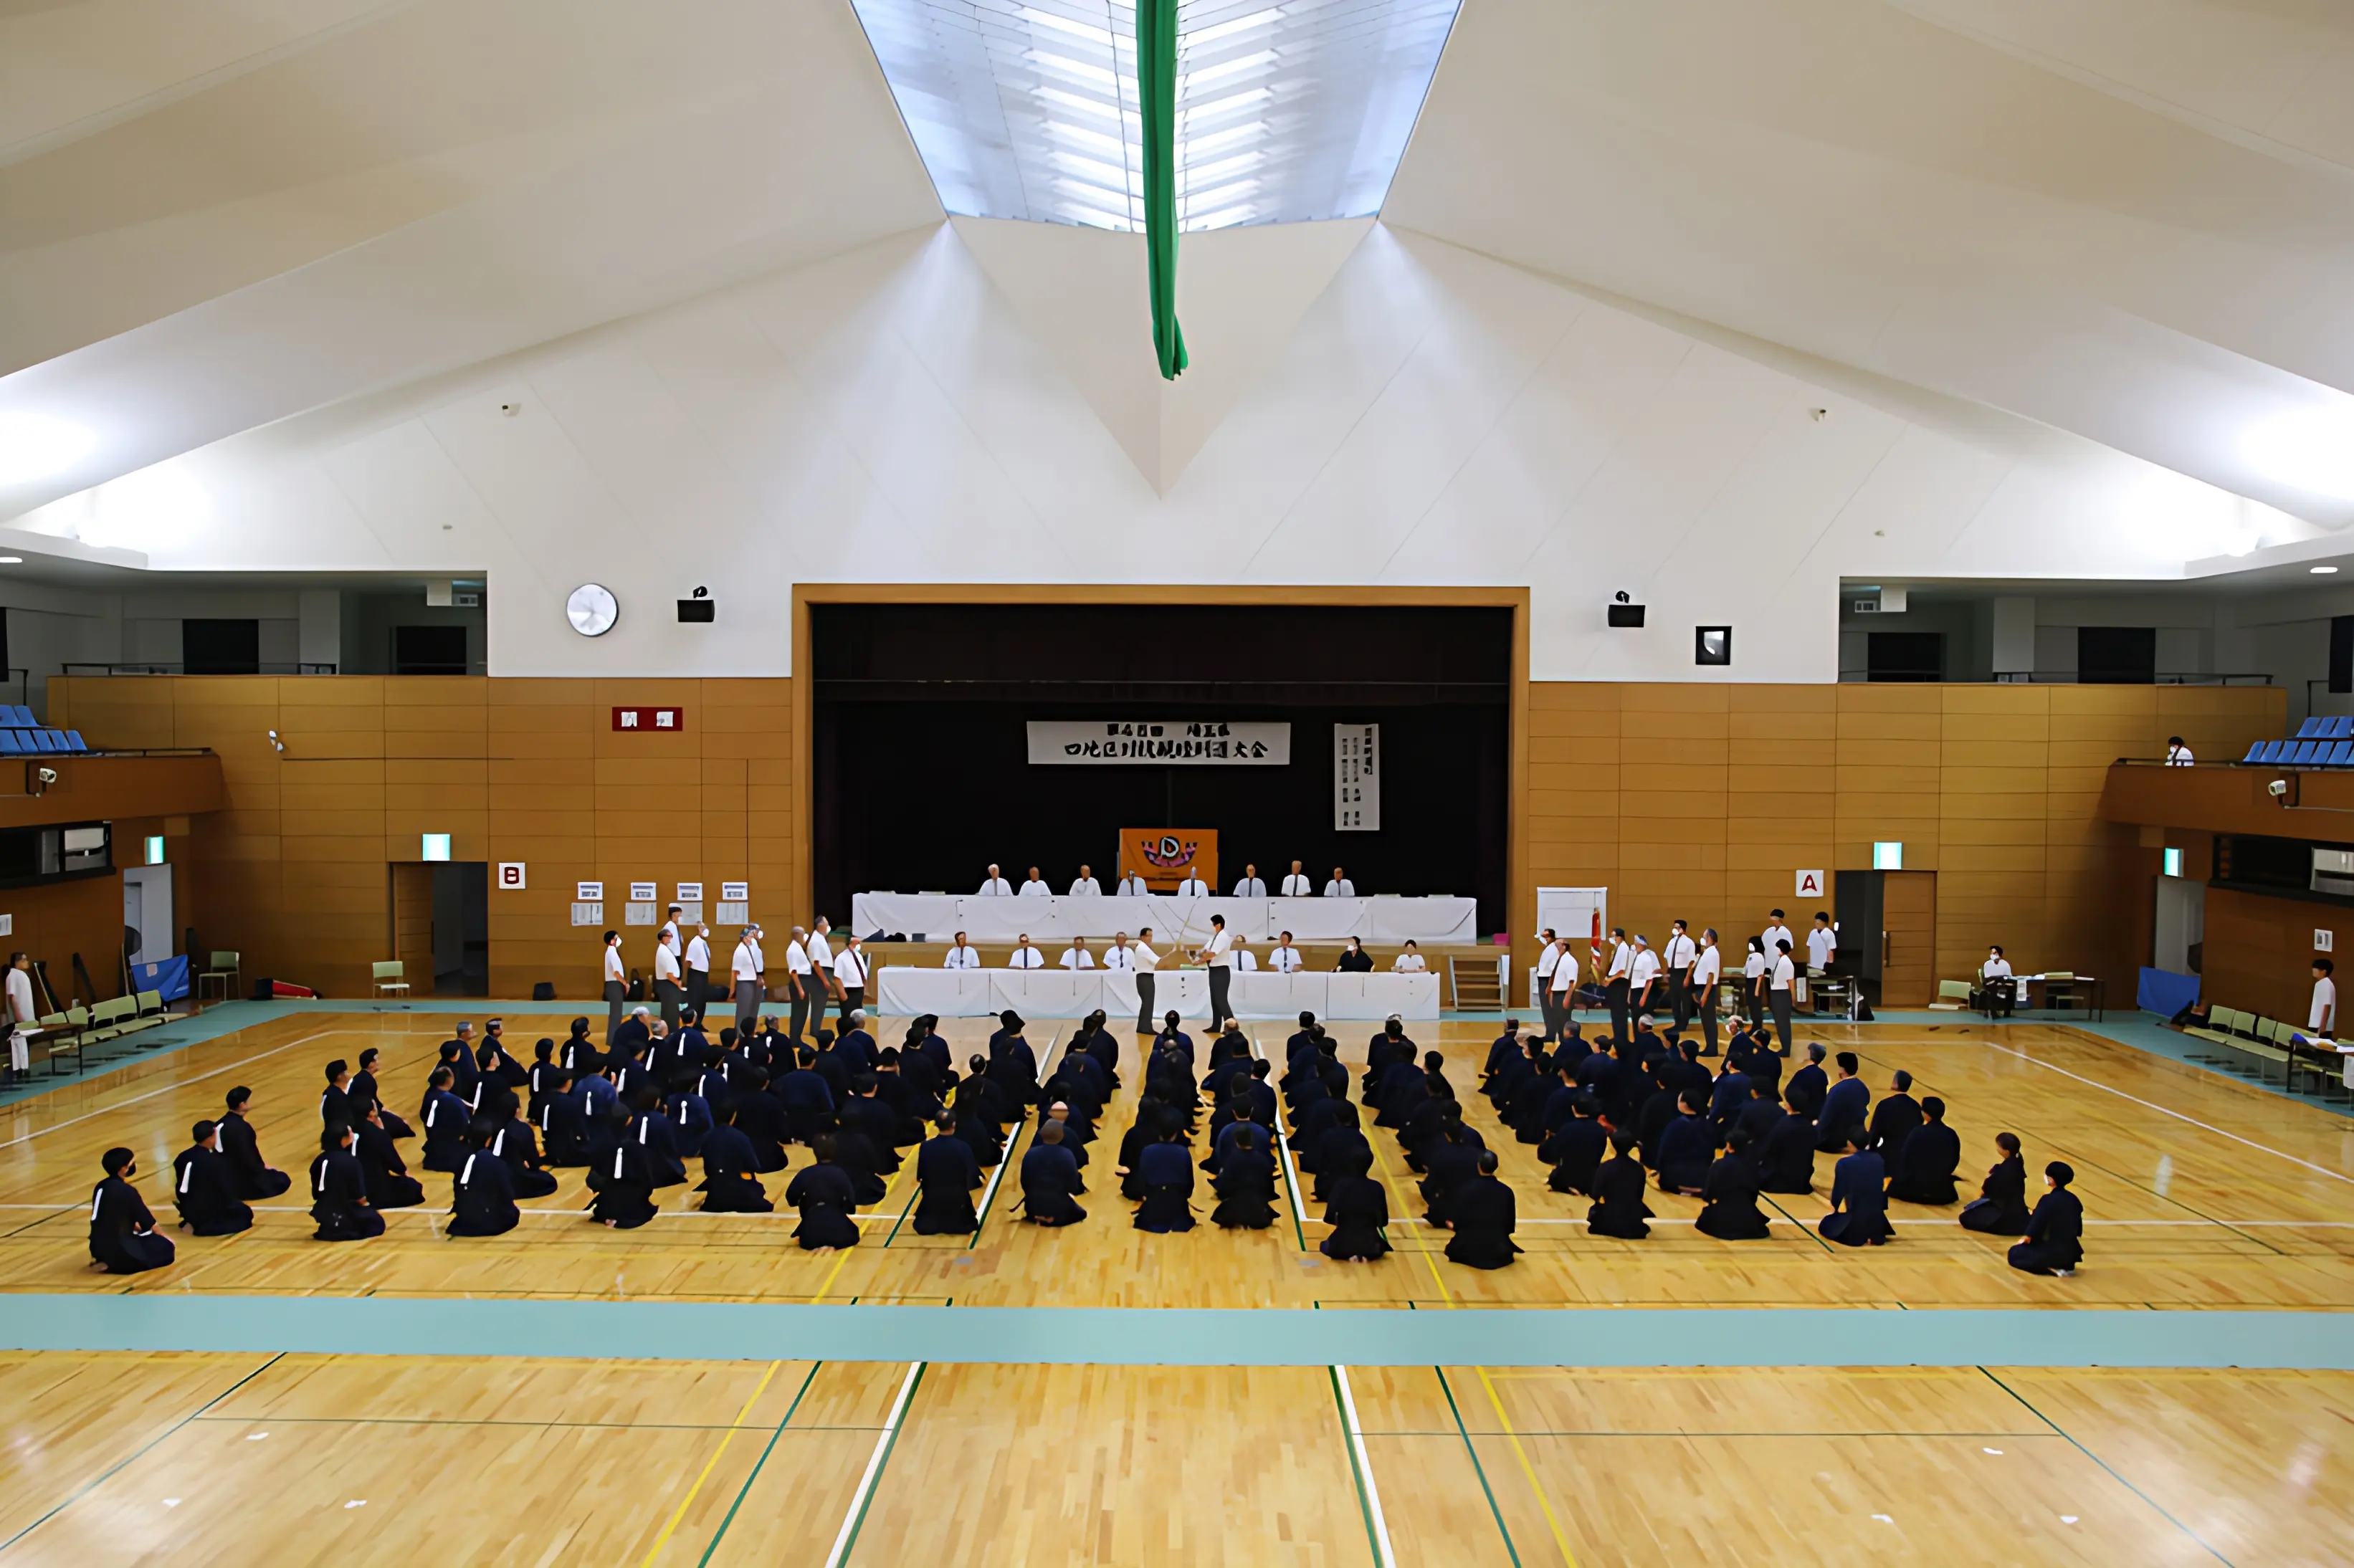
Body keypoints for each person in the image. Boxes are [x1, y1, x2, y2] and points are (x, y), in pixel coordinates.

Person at [90, 1147, 175, 1273]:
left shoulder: (101, 1187)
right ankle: (116, 1263)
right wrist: (166, 1238)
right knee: (165, 1247)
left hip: (97, 1245)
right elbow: (147, 1222)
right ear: (123, 1169)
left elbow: (105, 1216)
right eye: (131, 1163)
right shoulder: (128, 1191)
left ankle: (105, 1260)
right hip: (124, 1251)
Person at [172, 1121, 254, 1235]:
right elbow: (225, 1192)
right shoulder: (215, 1161)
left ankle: (191, 1221)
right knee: (244, 1213)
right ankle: (199, 1227)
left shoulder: (182, 1157)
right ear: (211, 1137)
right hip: (207, 1210)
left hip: (187, 1206)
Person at [2008, 1162, 2084, 1276]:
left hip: (2050, 1251)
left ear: (2052, 1180)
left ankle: (2050, 1269)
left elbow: (2036, 1225)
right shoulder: (2074, 1199)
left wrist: (2025, 1238)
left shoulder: (2047, 1200)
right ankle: (2063, 1266)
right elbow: (2078, 1228)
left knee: (2015, 1253)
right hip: (2071, 1253)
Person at [1444, 1150, 1519, 1267]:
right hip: (1498, 1251)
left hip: (1472, 1249)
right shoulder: (1507, 1192)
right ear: (1496, 1167)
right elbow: (1509, 1227)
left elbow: (1459, 1222)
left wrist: (1454, 1226)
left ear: (1478, 1166)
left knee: (1453, 1249)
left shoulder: (1466, 1190)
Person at [310, 1124, 383, 1242]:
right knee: (376, 1221)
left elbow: (316, 1193)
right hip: (345, 1210)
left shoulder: (319, 1160)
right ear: (342, 1139)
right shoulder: (351, 1162)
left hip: (322, 1210)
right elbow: (359, 1197)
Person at [1695, 1127, 1771, 1239]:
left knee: (1706, 1219)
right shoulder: (1752, 1165)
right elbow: (1754, 1193)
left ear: (1729, 1146)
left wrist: (1710, 1200)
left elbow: (1709, 1192)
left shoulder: (1720, 1165)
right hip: (1747, 1214)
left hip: (1723, 1214)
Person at [910, 1112, 981, 1233]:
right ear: (954, 1124)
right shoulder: (963, 1147)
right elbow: (972, 1176)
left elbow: (921, 1176)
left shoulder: (926, 1147)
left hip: (933, 1198)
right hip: (957, 1198)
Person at [1818, 1130, 1891, 1246]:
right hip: (1876, 1217)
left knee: (1826, 1225)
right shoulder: (1879, 1160)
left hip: (1854, 1217)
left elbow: (1838, 1194)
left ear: (1851, 1143)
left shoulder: (1845, 1163)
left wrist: (1836, 1208)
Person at [217, 1086, 292, 1198]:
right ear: (242, 1104)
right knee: (281, 1179)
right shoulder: (242, 1128)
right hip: (240, 1178)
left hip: (220, 1175)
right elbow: (248, 1156)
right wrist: (262, 1168)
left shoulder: (219, 1124)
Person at [785, 1138, 860, 1248]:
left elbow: (791, 1197)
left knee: (804, 1199)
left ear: (815, 1152)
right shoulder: (840, 1174)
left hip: (810, 1236)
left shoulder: (805, 1173)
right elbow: (851, 1203)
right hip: (841, 1233)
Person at [353, 1097, 426, 1208]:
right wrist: (404, 1173)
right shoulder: (375, 1133)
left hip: (350, 1186)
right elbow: (392, 1160)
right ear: (371, 1113)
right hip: (373, 1186)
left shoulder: (348, 1131)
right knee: (414, 1187)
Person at [449, 1125, 520, 1237]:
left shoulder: (460, 1160)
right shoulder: (496, 1162)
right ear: (488, 1140)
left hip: (465, 1220)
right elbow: (508, 1193)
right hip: (491, 1221)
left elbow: (458, 1190)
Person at [1886, 1096, 1960, 1204]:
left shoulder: (1917, 1132)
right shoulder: (1951, 1134)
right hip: (1941, 1192)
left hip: (1913, 1189)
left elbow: (1905, 1157)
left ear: (1925, 1113)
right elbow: (1954, 1160)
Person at [1958, 1132, 2033, 1234]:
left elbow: (1988, 1189)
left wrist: (1990, 1177)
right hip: (2018, 1209)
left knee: (1966, 1217)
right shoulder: (2017, 1161)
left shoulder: (2005, 1171)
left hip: (2004, 1212)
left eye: (1998, 1146)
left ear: (2006, 1151)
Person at [1210, 1124, 1277, 1229]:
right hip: (1257, 1203)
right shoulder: (1262, 1159)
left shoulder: (1231, 1159)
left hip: (1235, 1202)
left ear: (1236, 1141)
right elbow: (1268, 1183)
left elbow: (1224, 1184)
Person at [1021, 1121, 1087, 1226]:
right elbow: (1073, 1186)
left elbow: (1024, 1182)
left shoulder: (1030, 1153)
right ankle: (1050, 1218)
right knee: (1082, 1214)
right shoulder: (1067, 1155)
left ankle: (1038, 1216)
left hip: (1032, 1203)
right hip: (1058, 1203)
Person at [1133, 1126, 1196, 1233]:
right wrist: (1185, 1196)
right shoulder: (1184, 1152)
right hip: (1177, 1200)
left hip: (1154, 1199)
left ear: (1159, 1135)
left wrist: (1145, 1194)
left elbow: (1142, 1177)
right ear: (1175, 1135)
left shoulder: (1147, 1151)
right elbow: (1189, 1181)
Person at [1588, 1132, 1652, 1238]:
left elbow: (1595, 1194)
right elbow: (1640, 1195)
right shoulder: (1639, 1169)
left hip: (1610, 1217)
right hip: (1632, 1220)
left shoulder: (1605, 1167)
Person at [1319, 1173, 1389, 1261]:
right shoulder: (1377, 1187)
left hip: (1342, 1245)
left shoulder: (1340, 1186)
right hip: (1371, 1246)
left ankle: (1351, 1255)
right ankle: (1362, 1255)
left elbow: (1329, 1218)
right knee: (1381, 1246)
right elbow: (1383, 1222)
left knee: (1324, 1246)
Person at [1815, 1051, 1869, 1151]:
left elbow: (1826, 1118)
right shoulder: (1864, 1089)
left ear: (1842, 1070)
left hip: (1832, 1141)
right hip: (1854, 1137)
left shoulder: (1836, 1090)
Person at [1864, 1069, 1922, 1164]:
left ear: (1896, 1083)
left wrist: (1870, 1149)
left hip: (1887, 1155)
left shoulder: (1884, 1104)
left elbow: (1875, 1133)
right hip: (1908, 1155)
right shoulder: (1917, 1107)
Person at [1686, 929, 1722, 1056]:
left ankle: (1712, 1049)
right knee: (1706, 1021)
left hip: (1706, 990)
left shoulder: (1712, 953)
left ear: (1710, 938)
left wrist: (1705, 996)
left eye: (1704, 937)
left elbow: (1711, 976)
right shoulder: (1708, 952)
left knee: (1709, 1021)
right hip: (1701, 989)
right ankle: (1710, 1047)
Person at [4, 951, 37, 1087]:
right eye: (24, 960)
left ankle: (23, 1068)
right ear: (17, 962)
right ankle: (20, 1069)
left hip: (27, 1016)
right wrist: (18, 1015)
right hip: (21, 1017)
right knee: (19, 1045)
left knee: (25, 1044)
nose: (27, 962)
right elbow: (12, 997)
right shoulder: (12, 975)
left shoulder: (22, 975)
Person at [1199, 913, 1236, 1030]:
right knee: (1215, 999)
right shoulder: (1214, 937)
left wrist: (1200, 961)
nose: (1212, 926)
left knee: (1221, 1000)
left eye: (1213, 924)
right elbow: (1204, 951)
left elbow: (1212, 953)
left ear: (1218, 924)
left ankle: (1232, 1026)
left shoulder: (1223, 936)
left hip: (1221, 971)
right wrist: (1197, 956)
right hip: (1214, 970)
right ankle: (1216, 1025)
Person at [1662, 920, 1698, 1029]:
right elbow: (1667, 957)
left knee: (1685, 1000)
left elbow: (1691, 962)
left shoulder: (1689, 943)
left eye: (1677, 927)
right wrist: (1666, 974)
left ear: (1683, 929)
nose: (1674, 929)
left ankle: (1684, 1024)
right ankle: (1677, 1023)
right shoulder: (1671, 942)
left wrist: (1687, 977)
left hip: (1683, 972)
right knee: (1675, 999)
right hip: (1673, 972)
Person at [730, 926, 765, 1038]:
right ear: (743, 938)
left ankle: (751, 1033)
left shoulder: (754, 944)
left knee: (754, 1010)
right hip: (745, 982)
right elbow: (734, 972)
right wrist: (732, 989)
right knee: (743, 1011)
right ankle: (739, 1035)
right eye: (749, 935)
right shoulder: (739, 951)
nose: (751, 936)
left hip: (756, 980)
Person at [783, 925, 815, 1043]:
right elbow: (793, 971)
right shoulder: (793, 950)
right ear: (798, 935)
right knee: (798, 1012)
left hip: (805, 981)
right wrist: (800, 989)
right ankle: (794, 1039)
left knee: (803, 1012)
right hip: (800, 982)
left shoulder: (798, 948)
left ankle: (797, 1037)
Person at [1768, 939, 1797, 1053]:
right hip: (1777, 994)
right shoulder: (1781, 961)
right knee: (1779, 1022)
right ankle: (1784, 1047)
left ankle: (1786, 1049)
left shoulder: (1786, 962)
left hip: (1782, 994)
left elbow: (1791, 982)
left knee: (1783, 1022)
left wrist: (1793, 997)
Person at [652, 929, 685, 1031]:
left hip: (668, 984)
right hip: (668, 984)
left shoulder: (665, 949)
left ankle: (669, 1032)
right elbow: (669, 973)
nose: (670, 939)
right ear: (663, 937)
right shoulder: (663, 951)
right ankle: (671, 1032)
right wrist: (677, 982)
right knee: (670, 1012)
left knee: (670, 1010)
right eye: (669, 936)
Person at [1132, 927, 1160, 1035]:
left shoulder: (1142, 948)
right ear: (1142, 937)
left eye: (1151, 936)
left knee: (1146, 1003)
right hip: (1145, 978)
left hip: (1144, 977)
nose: (1150, 938)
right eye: (1148, 936)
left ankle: (1143, 1026)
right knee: (1148, 1003)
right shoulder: (1143, 948)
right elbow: (1159, 962)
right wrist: (1172, 953)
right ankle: (1146, 1028)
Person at [603, 929, 627, 1038]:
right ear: (612, 941)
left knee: (616, 1013)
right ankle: (613, 1039)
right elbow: (616, 972)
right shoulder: (612, 952)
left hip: (613, 985)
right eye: (616, 938)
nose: (618, 940)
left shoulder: (611, 952)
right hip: (614, 985)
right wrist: (625, 983)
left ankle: (613, 1037)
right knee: (616, 1014)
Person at [683, 923, 713, 1014]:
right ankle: (693, 1022)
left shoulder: (704, 943)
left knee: (702, 1000)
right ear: (698, 929)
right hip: (696, 975)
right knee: (695, 1000)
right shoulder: (694, 943)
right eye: (702, 928)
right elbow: (688, 961)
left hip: (704, 975)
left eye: (705, 927)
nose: (704, 930)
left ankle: (699, 1022)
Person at [1978, 945, 2016, 1018]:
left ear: (2000, 955)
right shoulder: (1987, 964)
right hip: (1990, 982)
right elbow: (1987, 977)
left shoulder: (2005, 964)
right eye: (1992, 953)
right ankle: (1993, 1012)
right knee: (1992, 989)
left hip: (2003, 982)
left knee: (2012, 989)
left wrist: (2002, 982)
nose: (1992, 955)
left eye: (1995, 953)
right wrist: (1996, 981)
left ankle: (2007, 1011)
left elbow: (2009, 977)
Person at [1806, 912, 1836, 977]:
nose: (1816, 924)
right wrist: (1808, 962)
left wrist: (1829, 966)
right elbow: (1809, 947)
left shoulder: (1830, 934)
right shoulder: (1813, 932)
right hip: (1812, 967)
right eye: (1816, 922)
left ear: (1824, 923)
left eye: (1818, 923)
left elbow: (1831, 951)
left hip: (1823, 968)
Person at [2312, 957, 2336, 1038]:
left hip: (2320, 1027)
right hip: (2316, 1024)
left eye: (2317, 968)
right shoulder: (2321, 984)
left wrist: (2322, 1026)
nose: (2313, 969)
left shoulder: (2326, 984)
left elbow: (2327, 1006)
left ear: (2324, 971)